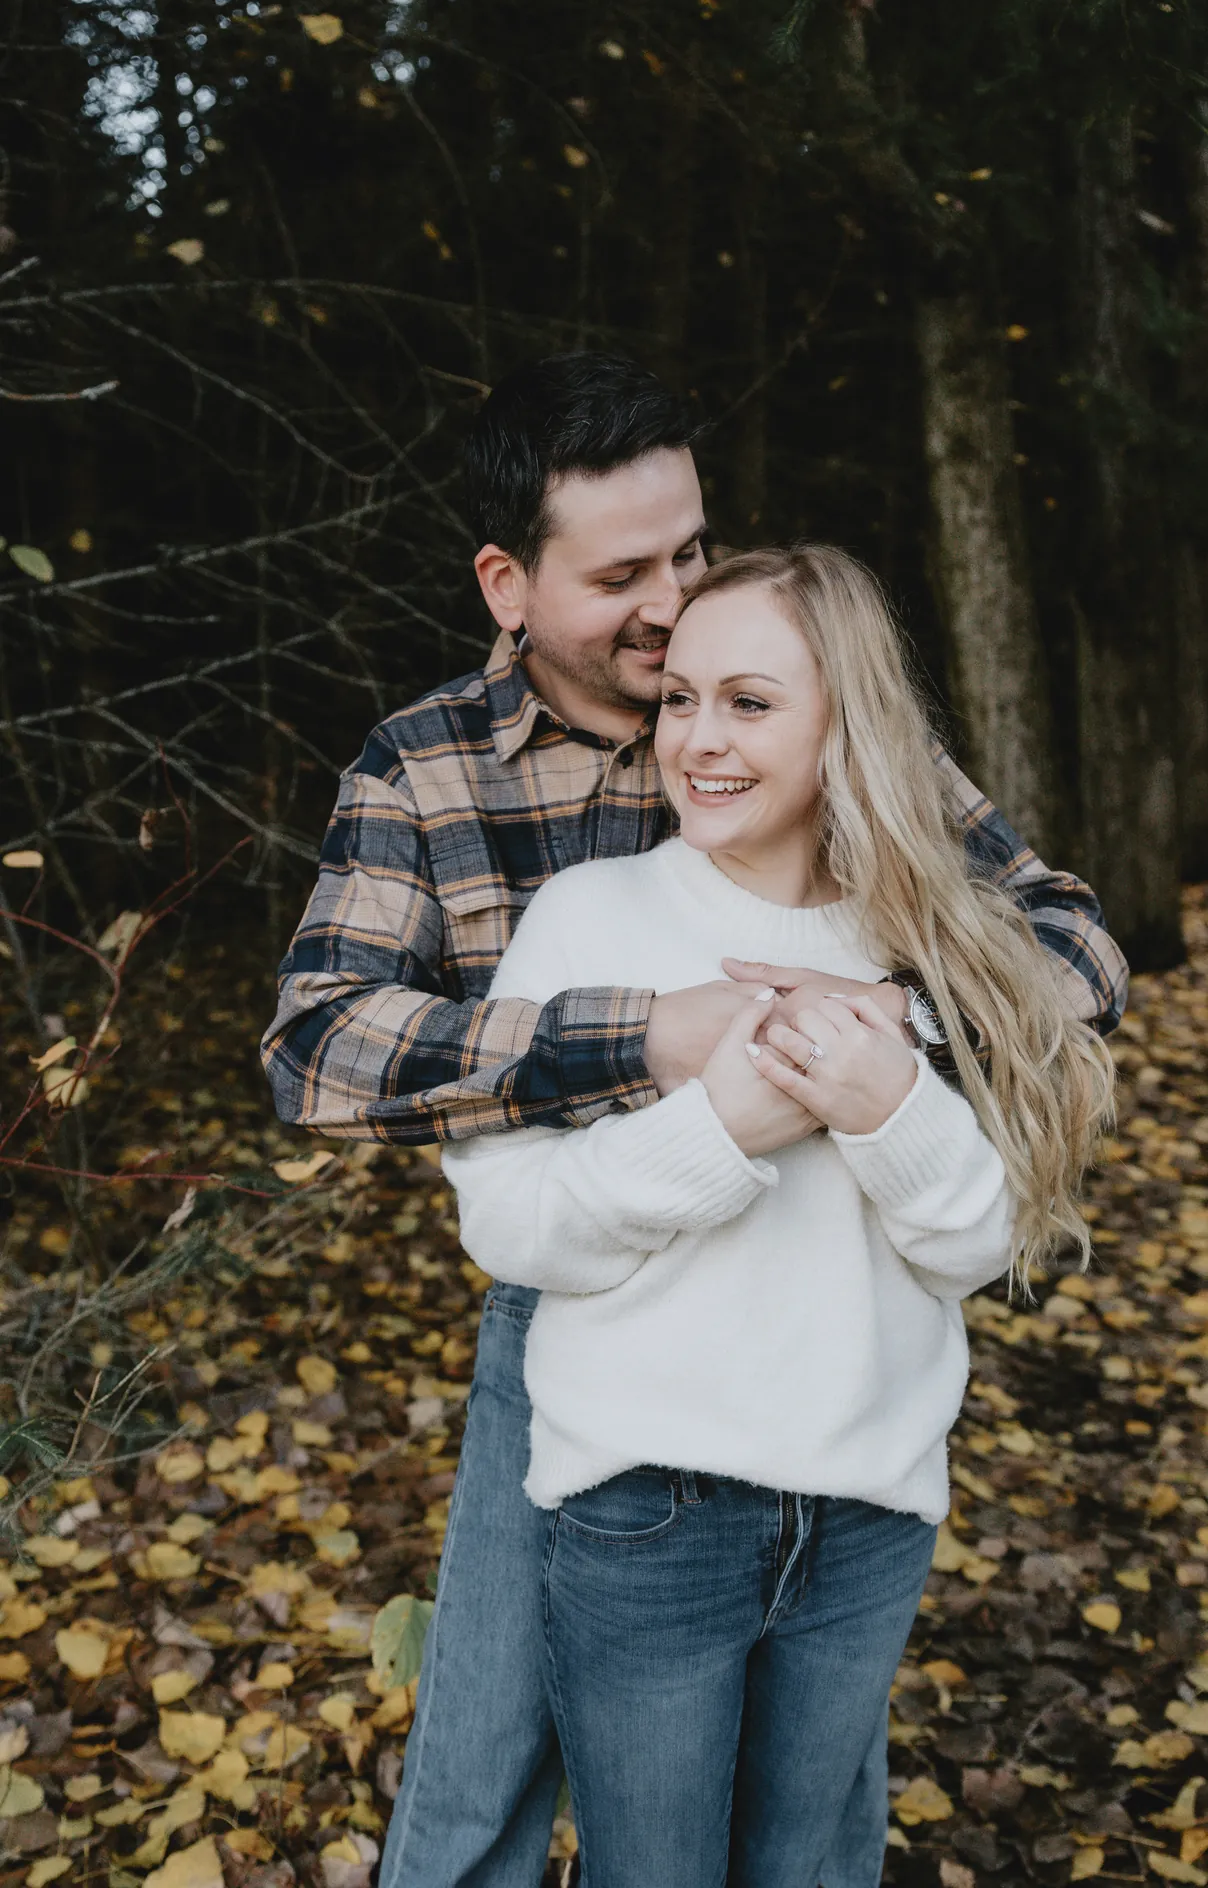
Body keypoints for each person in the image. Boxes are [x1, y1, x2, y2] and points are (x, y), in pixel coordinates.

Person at [261, 351, 1129, 1888]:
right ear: (506, 586)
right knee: (484, 1753)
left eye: (692, 550)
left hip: (825, 1334)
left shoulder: (811, 710)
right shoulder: (432, 768)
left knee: (814, 1801)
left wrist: (862, 1042)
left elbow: (1066, 944)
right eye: (622, 576)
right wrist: (644, 1038)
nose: (672, 604)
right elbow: (322, 1049)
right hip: (574, 1300)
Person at [441, 543, 1115, 1884]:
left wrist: (885, 1100)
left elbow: (974, 1245)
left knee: (810, 1864)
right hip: (646, 1513)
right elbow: (508, 1228)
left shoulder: (932, 946)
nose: (698, 740)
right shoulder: (591, 919)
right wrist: (722, 1132)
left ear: (845, 721)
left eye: (749, 703)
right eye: (680, 700)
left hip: (863, 1517)